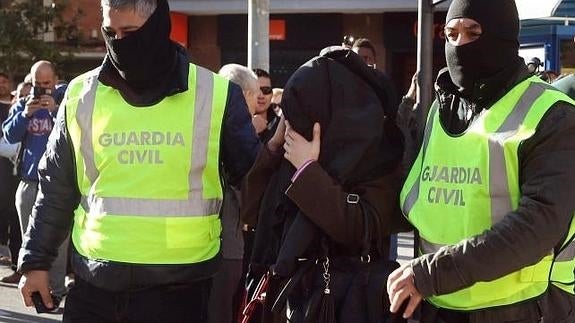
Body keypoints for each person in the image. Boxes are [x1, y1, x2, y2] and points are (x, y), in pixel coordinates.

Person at [17, 0, 260, 321]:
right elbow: (56, 187)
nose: (118, 42)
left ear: (158, 26)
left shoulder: (215, 95)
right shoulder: (81, 95)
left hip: (179, 294)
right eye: (109, 32)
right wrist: (35, 262)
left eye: (129, 32)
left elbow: (255, 181)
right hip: (93, 286)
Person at [387, 0, 575, 322]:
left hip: (523, 307)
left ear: (504, 36)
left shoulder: (552, 114)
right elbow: (412, 199)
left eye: (473, 32)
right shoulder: (439, 110)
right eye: (451, 33)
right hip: (439, 305)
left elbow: (539, 225)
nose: (460, 44)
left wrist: (431, 274)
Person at [240, 46, 408, 322]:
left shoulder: (375, 154)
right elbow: (250, 212)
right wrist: (273, 146)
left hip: (344, 302)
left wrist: (309, 172)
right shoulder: (294, 145)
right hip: (289, 300)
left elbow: (362, 227)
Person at [2, 61, 69, 296]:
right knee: (29, 239)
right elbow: (9, 135)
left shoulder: (66, 100)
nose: (42, 89)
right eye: (37, 84)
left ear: (56, 79)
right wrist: (25, 113)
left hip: (58, 183)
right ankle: (34, 288)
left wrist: (56, 109)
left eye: (47, 84)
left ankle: (56, 289)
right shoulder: (23, 103)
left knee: (59, 242)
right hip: (29, 181)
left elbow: (78, 128)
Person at [206, 63, 260, 323]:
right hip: (225, 243)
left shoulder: (204, 124)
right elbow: (246, 181)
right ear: (245, 94)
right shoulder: (235, 131)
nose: (259, 101)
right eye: (257, 94)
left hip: (205, 243)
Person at [253, 68, 281, 143]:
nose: (261, 96)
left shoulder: (282, 125)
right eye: (256, 90)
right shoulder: (236, 124)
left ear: (272, 94)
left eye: (266, 90)